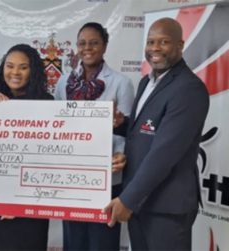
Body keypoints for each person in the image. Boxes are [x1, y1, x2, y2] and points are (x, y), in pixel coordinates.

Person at [104, 17, 210, 250]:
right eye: (151, 41)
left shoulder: (188, 88)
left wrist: (127, 199)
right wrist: (122, 124)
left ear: (180, 45)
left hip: (166, 208)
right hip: (143, 204)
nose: (155, 48)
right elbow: (145, 131)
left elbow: (164, 152)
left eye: (164, 42)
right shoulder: (146, 82)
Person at [54, 22, 134, 250]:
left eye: (94, 42)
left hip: (106, 178)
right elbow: (57, 124)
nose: (87, 48)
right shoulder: (64, 82)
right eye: (82, 43)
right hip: (71, 175)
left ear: (105, 46)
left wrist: (118, 126)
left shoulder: (121, 83)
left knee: (103, 242)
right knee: (73, 241)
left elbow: (129, 131)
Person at [0, 44, 52, 251]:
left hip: (30, 204)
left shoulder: (47, 104)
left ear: (33, 71)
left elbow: (45, 160)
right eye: (10, 66)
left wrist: (20, 203)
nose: (15, 73)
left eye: (23, 67)